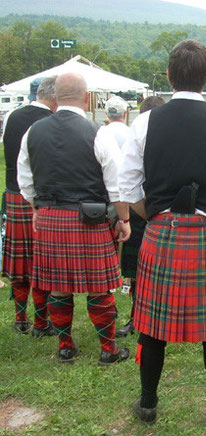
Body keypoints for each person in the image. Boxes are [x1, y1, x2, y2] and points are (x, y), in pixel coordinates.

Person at [118, 39, 206, 426]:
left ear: (168, 76)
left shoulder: (145, 121)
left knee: (151, 322)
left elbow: (127, 190)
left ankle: (147, 404)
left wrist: (157, 214)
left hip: (161, 232)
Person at [17, 72, 131, 365]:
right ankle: (109, 349)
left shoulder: (33, 132)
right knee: (99, 286)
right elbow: (116, 184)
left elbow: (25, 182)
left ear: (54, 99)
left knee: (57, 285)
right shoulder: (98, 132)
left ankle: (66, 346)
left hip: (50, 218)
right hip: (89, 219)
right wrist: (124, 219)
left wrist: (38, 209)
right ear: (85, 97)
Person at [2, 76, 57, 336]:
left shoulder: (12, 116)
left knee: (20, 262)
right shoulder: (48, 124)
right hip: (38, 198)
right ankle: (40, 322)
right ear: (54, 97)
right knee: (40, 262)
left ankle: (21, 318)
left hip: (14, 194)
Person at [116, 95, 166, 338]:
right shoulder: (144, 132)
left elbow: (125, 178)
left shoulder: (135, 132)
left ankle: (141, 318)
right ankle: (143, 318)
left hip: (143, 208)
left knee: (139, 270)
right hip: (156, 208)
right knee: (144, 270)